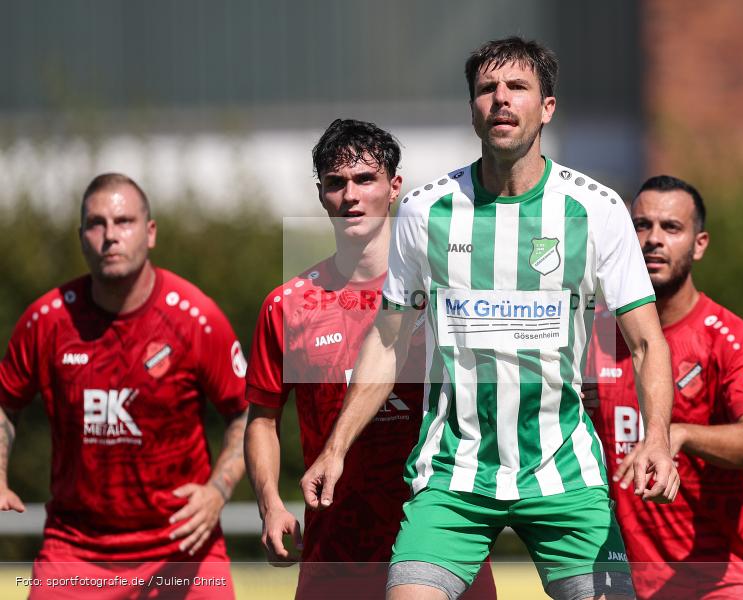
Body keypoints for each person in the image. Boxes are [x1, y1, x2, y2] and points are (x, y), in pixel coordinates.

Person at [300, 38, 679, 600]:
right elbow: (386, 340)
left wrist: (658, 440)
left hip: (564, 473)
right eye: (486, 90)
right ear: (473, 109)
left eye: (517, 88)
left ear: (546, 107)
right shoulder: (427, 210)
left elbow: (647, 344)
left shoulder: (597, 210)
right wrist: (336, 448)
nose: (501, 100)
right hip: (455, 474)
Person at [243, 118, 496, 599]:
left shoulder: (447, 292)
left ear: (395, 187)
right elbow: (262, 420)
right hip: (336, 557)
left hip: (445, 547)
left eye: (365, 179)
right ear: (321, 195)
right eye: (336, 183)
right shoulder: (289, 305)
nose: (351, 195)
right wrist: (271, 504)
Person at [0, 173, 248, 599]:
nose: (110, 236)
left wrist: (218, 491)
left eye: (124, 221)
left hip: (182, 547)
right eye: (97, 224)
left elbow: (249, 415)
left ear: (150, 233)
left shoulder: (195, 319)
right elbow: (5, 403)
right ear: (82, 237)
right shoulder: (47, 321)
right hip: (76, 551)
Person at [586, 175, 743, 599]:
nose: (653, 239)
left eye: (671, 228)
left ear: (699, 243)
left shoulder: (728, 336)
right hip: (618, 581)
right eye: (640, 225)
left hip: (722, 583)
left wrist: (680, 433)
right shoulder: (590, 334)